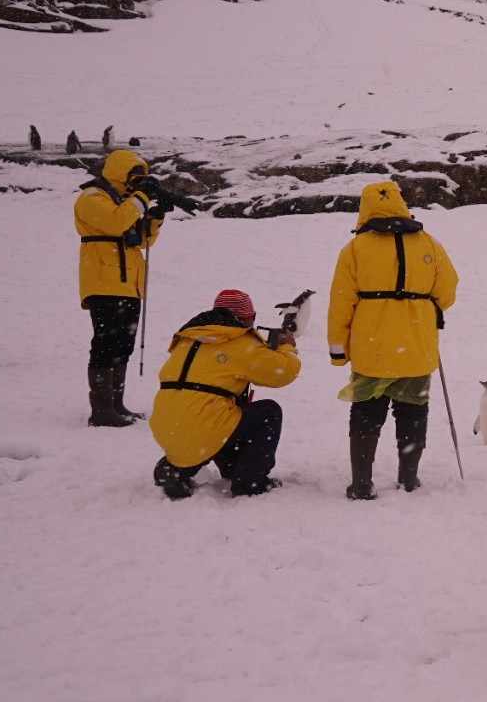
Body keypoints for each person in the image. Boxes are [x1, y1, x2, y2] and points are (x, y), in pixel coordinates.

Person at [328, 180, 459, 499]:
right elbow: (448, 289)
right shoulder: (428, 243)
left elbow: (341, 303)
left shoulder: (355, 249)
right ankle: (408, 478)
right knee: (412, 411)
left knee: (366, 413)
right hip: (417, 346)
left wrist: (337, 351)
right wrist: (423, 308)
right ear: (401, 204)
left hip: (371, 349)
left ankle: (361, 483)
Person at [149, 289, 301, 498]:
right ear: (249, 317)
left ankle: (176, 468)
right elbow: (283, 373)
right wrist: (287, 347)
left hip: (166, 426)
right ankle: (250, 482)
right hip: (204, 425)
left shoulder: (188, 338)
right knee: (268, 412)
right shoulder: (238, 341)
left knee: (223, 410)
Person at [74, 148, 171, 426]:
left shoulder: (123, 201)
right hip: (104, 281)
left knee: (122, 344)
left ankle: (116, 404)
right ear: (118, 173)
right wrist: (141, 197)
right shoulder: (93, 197)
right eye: (133, 175)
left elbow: (140, 241)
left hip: (129, 283)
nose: (136, 181)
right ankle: (102, 410)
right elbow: (114, 222)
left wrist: (155, 216)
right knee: (105, 343)